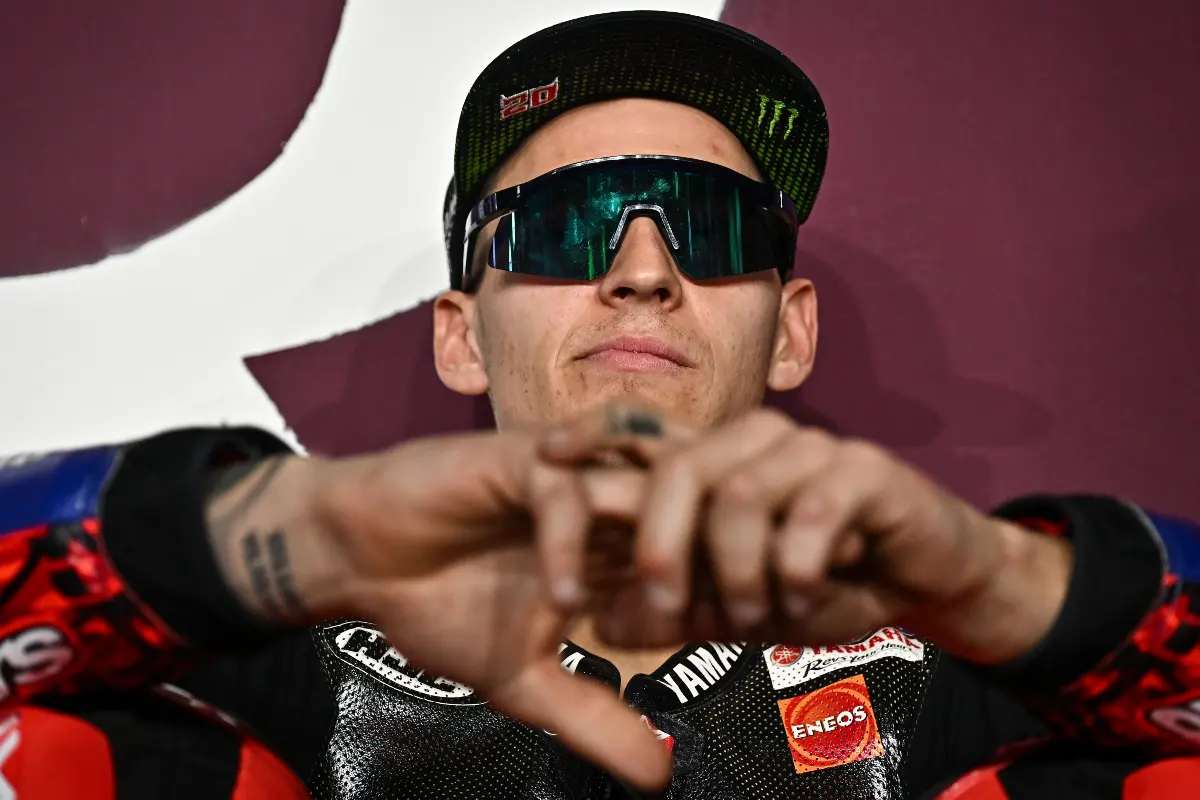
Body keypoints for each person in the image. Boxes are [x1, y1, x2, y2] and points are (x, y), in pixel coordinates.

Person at [2, 9, 1200, 800]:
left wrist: (1003, 581)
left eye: (712, 224)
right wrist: (266, 534)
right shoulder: (290, 669)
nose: (643, 272)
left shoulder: (944, 684)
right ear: (461, 335)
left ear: (791, 331)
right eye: (569, 224)